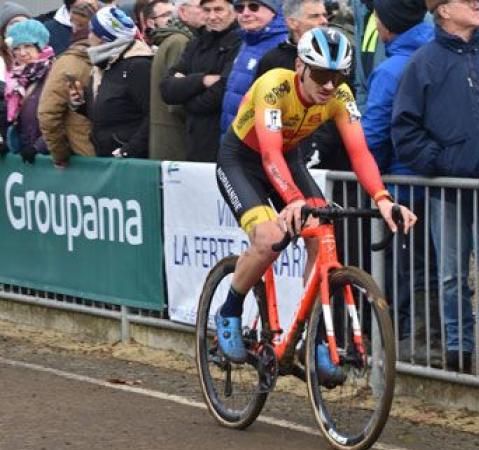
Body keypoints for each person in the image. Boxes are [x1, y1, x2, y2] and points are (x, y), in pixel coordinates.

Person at [214, 27, 416, 384]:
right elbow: (269, 152)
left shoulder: (340, 95)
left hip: (288, 161)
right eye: (321, 74)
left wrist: (383, 199)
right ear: (300, 67)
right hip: (243, 160)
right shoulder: (274, 85)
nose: (328, 85)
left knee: (322, 233)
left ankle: (316, 336)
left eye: (338, 76)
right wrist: (292, 200)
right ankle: (229, 311)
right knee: (268, 240)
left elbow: (360, 153)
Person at [392, 0, 479, 377]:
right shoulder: (423, 62)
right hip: (448, 191)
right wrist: (444, 163)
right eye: (469, 1)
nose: (478, 5)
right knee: (452, 274)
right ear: (445, 10)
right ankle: (458, 349)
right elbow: (405, 128)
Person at [362, 0, 433, 361]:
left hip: (401, 187)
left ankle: (403, 341)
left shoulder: (392, 70)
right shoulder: (439, 50)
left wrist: (368, 181)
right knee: (431, 268)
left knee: (405, 270)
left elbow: (372, 134)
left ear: (388, 23)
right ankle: (426, 339)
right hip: (436, 185)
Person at [160, 0, 240, 161]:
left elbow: (220, 94)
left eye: (218, 10)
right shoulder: (196, 44)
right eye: (207, 10)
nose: (212, 16)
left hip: (223, 142)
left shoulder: (240, 44)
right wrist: (202, 80)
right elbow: (167, 89)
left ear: (233, 12)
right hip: (195, 142)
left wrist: (186, 97)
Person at [69, 6, 153, 158]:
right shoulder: (102, 63)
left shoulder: (138, 65)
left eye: (92, 31)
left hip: (130, 159)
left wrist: (130, 149)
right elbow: (110, 111)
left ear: (103, 37)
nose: (88, 37)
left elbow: (152, 114)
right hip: (107, 155)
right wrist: (80, 104)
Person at [38, 2, 97, 168]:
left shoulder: (68, 62)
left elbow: (48, 114)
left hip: (82, 157)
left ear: (74, 26)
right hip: (113, 152)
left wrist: (60, 155)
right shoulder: (115, 55)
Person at [219, 0, 287, 133]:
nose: (245, 13)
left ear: (273, 11)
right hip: (233, 138)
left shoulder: (282, 45)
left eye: (253, 7)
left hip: (259, 142)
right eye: (239, 8)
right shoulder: (248, 41)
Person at [145, 0, 193, 160]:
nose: (170, 18)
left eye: (171, 13)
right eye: (165, 15)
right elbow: (176, 99)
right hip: (175, 136)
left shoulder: (167, 41)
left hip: (165, 135)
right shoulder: (179, 41)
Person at [3, 20, 54, 163]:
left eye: (28, 46)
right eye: (17, 48)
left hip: (49, 156)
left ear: (40, 46)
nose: (22, 53)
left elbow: (61, 118)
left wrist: (38, 147)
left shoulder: (53, 73)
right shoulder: (15, 78)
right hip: (25, 153)